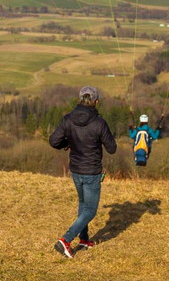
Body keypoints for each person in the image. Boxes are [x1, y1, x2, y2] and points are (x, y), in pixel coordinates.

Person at [49, 86, 117, 258]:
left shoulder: (68, 119)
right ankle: (66, 240)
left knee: (83, 205)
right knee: (90, 210)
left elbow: (53, 141)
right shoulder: (99, 123)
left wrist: (67, 143)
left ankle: (84, 239)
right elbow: (112, 149)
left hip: (76, 170)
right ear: (96, 102)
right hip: (92, 171)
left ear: (79, 99)